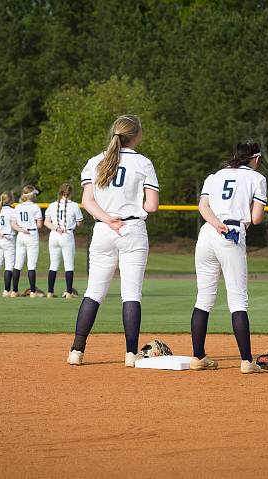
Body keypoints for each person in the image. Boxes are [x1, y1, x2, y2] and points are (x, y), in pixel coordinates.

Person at [67, 114, 159, 367]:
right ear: (137, 135)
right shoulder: (143, 163)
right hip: (132, 229)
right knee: (131, 294)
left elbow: (87, 202)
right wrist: (130, 207)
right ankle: (131, 354)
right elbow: (151, 206)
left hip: (103, 230)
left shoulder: (97, 161)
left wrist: (108, 218)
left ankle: (76, 350)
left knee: (93, 292)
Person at [189, 141, 268, 374]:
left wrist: (215, 224)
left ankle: (198, 357)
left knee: (203, 299)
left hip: (207, 233)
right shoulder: (257, 178)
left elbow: (203, 207)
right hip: (231, 235)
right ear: (254, 158)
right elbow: (256, 218)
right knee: (238, 300)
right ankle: (246, 362)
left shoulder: (215, 176)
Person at [44, 183, 84, 299]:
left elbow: (47, 222)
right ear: (70, 193)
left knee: (53, 264)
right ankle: (69, 292)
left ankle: (50, 292)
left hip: (54, 234)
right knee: (69, 265)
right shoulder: (75, 206)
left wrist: (56, 228)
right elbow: (79, 223)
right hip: (67, 234)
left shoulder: (52, 205)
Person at [10, 185, 44, 298]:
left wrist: (21, 229)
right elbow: (39, 225)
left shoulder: (18, 207)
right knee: (31, 265)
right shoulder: (35, 207)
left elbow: (13, 224)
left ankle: (14, 291)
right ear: (32, 195)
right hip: (32, 234)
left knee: (18, 264)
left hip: (21, 234)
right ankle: (33, 291)